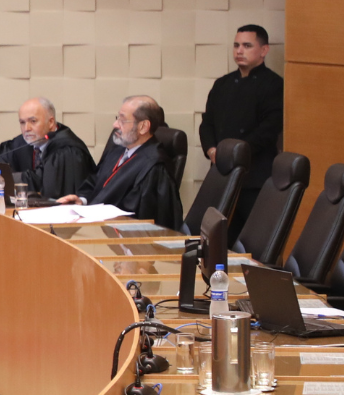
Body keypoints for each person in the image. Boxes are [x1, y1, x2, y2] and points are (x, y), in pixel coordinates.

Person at [199, 24, 283, 239]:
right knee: (217, 239)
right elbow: (207, 123)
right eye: (236, 45)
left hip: (255, 177)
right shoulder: (222, 84)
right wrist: (212, 150)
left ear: (264, 50)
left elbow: (268, 129)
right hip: (221, 173)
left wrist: (237, 154)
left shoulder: (274, 85)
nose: (239, 51)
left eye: (247, 45)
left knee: (253, 240)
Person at [59, 97, 183, 229]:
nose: (115, 125)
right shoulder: (118, 150)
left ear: (143, 127)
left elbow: (142, 220)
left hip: (119, 235)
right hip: (96, 227)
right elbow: (95, 181)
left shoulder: (155, 167)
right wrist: (82, 201)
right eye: (117, 118)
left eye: (122, 120)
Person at [0, 97, 96, 200]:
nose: (26, 128)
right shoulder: (28, 141)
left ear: (50, 122)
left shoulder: (66, 150)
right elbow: (0, 157)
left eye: (33, 121)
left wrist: (6, 177)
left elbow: (46, 183)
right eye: (22, 122)